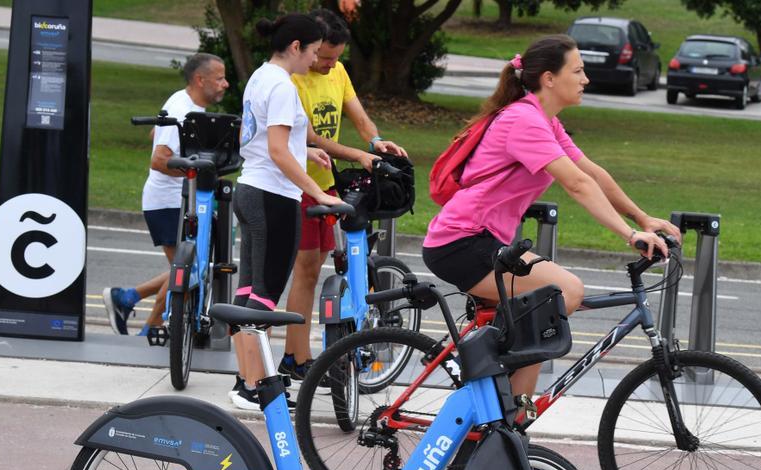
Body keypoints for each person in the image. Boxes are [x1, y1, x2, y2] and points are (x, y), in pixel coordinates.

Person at [422, 34, 680, 400]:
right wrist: (629, 234)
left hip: (483, 242)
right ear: (549, 78)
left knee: (540, 321)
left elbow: (591, 173)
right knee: (564, 291)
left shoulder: (545, 121)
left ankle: (511, 422)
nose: (585, 79)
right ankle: (495, 398)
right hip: (461, 243)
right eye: (578, 71)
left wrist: (643, 218)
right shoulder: (523, 120)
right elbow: (575, 184)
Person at [280, 8, 408, 380]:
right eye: (324, 56)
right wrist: (358, 155)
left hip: (325, 182)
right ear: (307, 46)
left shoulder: (335, 70)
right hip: (298, 183)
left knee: (319, 260)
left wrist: (376, 140)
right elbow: (307, 138)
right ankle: (295, 357)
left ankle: (301, 354)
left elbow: (359, 114)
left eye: (336, 58)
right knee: (304, 270)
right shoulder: (293, 79)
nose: (329, 64)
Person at [229, 13, 343, 410]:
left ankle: (246, 379)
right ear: (296, 47)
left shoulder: (262, 76)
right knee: (264, 296)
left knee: (247, 292)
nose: (314, 60)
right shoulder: (282, 86)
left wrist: (305, 149)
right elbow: (277, 150)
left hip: (249, 189)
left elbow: (273, 140)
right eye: (312, 52)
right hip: (273, 196)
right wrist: (317, 192)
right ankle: (253, 385)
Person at [102, 53, 229, 340]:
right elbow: (159, 159)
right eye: (219, 78)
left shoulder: (183, 103)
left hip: (177, 200)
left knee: (194, 267)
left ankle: (128, 298)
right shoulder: (182, 110)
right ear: (200, 79)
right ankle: (150, 325)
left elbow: (153, 135)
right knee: (185, 271)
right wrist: (197, 173)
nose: (226, 84)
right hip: (169, 201)